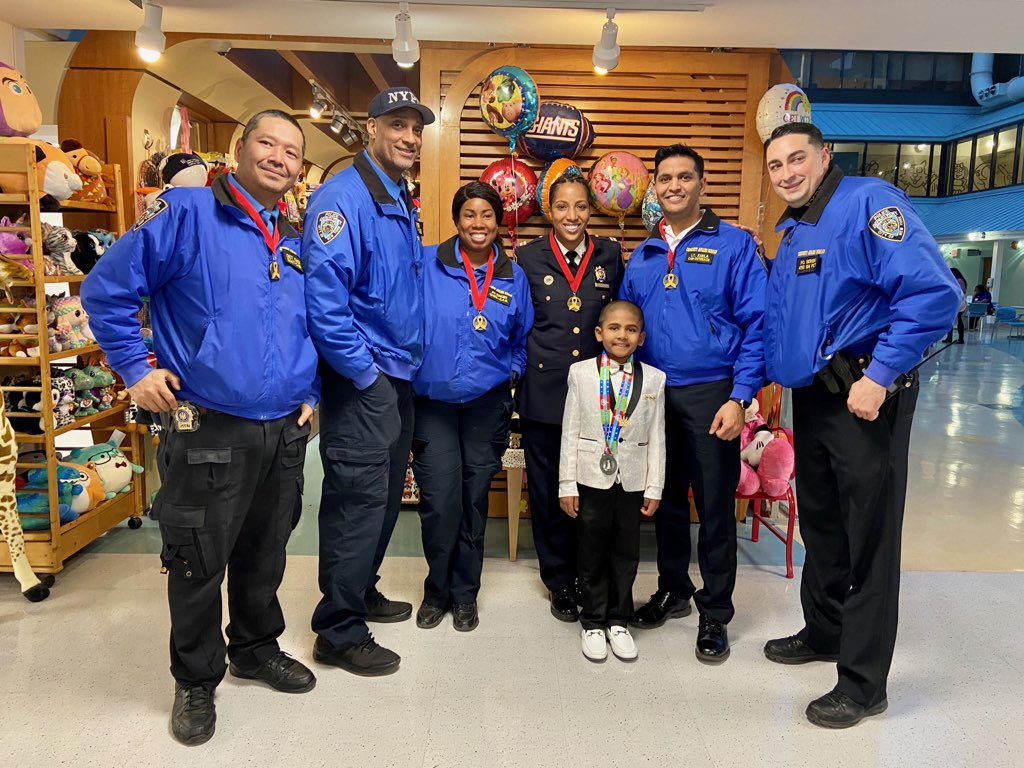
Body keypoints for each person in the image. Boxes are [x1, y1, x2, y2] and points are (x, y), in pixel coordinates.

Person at [81, 110, 319, 746]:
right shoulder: (185, 213)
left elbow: (308, 325)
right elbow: (105, 290)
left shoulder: (294, 237)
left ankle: (255, 649)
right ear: (239, 148)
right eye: (267, 143)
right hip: (207, 426)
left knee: (266, 551)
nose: (279, 157)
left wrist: (312, 390)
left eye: (292, 151)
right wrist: (135, 369)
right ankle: (194, 679)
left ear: (300, 169)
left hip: (282, 430)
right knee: (197, 559)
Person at [761, 122, 960, 728]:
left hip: (865, 394)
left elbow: (934, 295)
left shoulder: (870, 203)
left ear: (825, 157)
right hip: (814, 398)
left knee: (869, 538)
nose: (787, 173)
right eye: (776, 165)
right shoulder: (796, 230)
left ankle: (864, 683)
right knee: (822, 525)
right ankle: (825, 629)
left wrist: (882, 374)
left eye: (797, 158)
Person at [303, 87, 435, 676]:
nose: (410, 137)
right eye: (398, 125)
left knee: (379, 500)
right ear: (372, 128)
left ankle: (358, 591)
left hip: (397, 375)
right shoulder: (342, 199)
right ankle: (338, 630)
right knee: (356, 502)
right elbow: (325, 307)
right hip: (365, 380)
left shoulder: (396, 195)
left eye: (416, 129)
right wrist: (365, 376)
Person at [619, 143, 766, 664]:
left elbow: (757, 324)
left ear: (702, 184)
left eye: (684, 177)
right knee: (665, 501)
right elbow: (625, 326)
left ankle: (716, 612)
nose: (674, 186)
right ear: (655, 188)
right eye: (665, 178)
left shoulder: (734, 245)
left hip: (711, 394)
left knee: (715, 508)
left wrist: (741, 396)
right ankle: (674, 590)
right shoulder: (644, 253)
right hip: (653, 392)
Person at [411, 182, 533, 632]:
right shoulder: (426, 263)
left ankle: (465, 595)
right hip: (434, 404)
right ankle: (436, 591)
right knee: (440, 502)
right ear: (456, 220)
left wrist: (512, 372)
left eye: (487, 215)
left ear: (497, 221)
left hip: (487, 405)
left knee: (474, 500)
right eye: (469, 214)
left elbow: (521, 338)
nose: (478, 224)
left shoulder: (512, 276)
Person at [515, 171, 624, 622]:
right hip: (544, 395)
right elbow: (519, 324)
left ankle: (588, 575)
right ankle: (559, 581)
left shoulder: (610, 255)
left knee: (591, 490)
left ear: (591, 209)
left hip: (596, 395)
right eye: (562, 206)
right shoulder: (527, 257)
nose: (572, 215)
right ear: (549, 211)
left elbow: (619, 319)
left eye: (580, 206)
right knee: (546, 493)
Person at [558, 300, 666, 662]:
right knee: (591, 551)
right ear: (599, 333)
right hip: (591, 478)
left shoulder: (655, 379)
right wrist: (567, 484)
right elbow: (570, 431)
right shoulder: (581, 373)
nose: (622, 335)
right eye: (615, 328)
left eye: (631, 330)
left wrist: (655, 486)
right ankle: (592, 621)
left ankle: (619, 620)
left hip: (632, 480)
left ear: (641, 338)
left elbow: (657, 436)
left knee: (626, 552)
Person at [943, 267, 968, 343]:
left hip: (959, 302)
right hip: (954, 302)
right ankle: (949, 337)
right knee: (951, 320)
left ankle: (961, 338)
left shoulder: (959, 280)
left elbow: (963, 290)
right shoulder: (954, 280)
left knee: (959, 319)